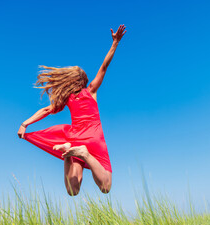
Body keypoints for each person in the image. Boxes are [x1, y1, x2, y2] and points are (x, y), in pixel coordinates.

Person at [17, 24, 127, 196]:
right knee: (106, 187)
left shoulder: (67, 99)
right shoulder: (90, 91)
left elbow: (46, 110)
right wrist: (115, 43)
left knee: (72, 191)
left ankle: (68, 153)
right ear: (83, 81)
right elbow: (104, 67)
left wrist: (25, 124)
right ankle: (85, 155)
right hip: (94, 138)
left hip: (74, 138)